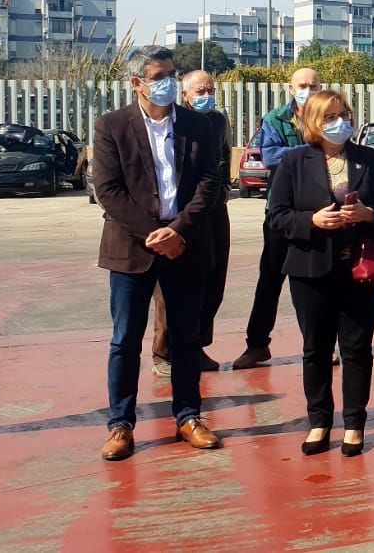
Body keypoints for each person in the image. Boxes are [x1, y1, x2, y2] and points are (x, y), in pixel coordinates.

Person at [93, 45, 224, 461]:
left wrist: (178, 230)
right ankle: (121, 425)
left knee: (185, 337)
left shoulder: (196, 125)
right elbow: (108, 191)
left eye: (172, 74)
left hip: (185, 244)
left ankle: (188, 416)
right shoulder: (112, 126)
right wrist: (155, 232)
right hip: (133, 247)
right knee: (124, 340)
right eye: (158, 76)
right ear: (136, 83)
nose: (167, 82)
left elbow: (210, 182)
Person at [267, 90, 374, 457]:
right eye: (329, 117)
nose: (340, 122)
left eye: (344, 114)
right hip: (311, 270)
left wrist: (369, 215)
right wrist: (312, 220)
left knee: (357, 349)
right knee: (316, 349)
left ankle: (354, 423)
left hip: (361, 269)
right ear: (312, 122)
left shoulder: (371, 159)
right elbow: (276, 216)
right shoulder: (294, 162)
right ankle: (319, 421)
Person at [235, 67, 323, 369]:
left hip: (319, 214)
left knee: (317, 284)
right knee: (270, 280)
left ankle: (322, 345)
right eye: (302, 85)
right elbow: (269, 156)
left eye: (313, 85)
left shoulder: (329, 116)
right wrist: (312, 151)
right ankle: (257, 345)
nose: (308, 90)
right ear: (290, 88)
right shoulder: (275, 119)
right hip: (282, 212)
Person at [151, 70, 231, 377]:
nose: (206, 94)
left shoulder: (219, 121)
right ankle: (164, 351)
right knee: (171, 285)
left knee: (213, 277)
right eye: (200, 90)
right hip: (183, 212)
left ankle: (196, 345)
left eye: (210, 88)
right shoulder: (177, 121)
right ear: (185, 95)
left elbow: (223, 157)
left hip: (214, 209)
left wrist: (222, 190)